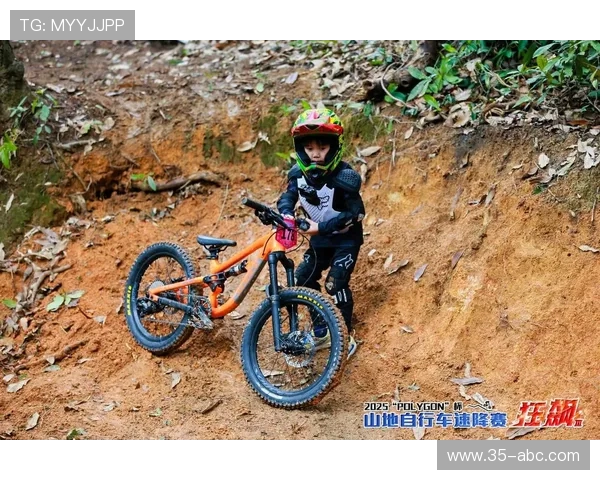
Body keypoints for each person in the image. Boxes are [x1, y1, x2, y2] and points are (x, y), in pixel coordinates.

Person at [277, 108, 365, 359]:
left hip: (346, 240)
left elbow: (357, 213)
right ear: (300, 148)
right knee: (302, 279)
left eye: (323, 147)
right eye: (309, 148)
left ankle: (344, 336)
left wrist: (320, 227)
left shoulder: (345, 178)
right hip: (320, 242)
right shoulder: (297, 175)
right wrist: (286, 214)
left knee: (335, 283)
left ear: (335, 146)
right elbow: (287, 197)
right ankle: (322, 332)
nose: (316, 154)